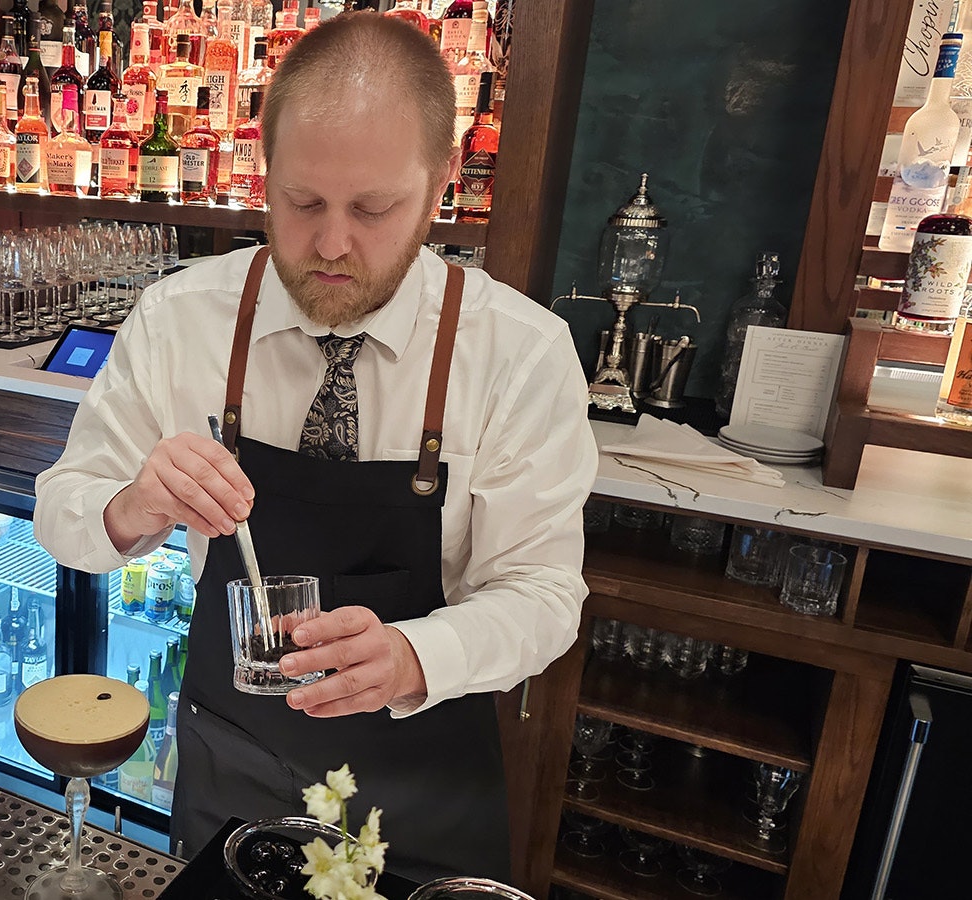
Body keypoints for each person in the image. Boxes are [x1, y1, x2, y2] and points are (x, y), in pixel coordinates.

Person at [33, 11, 596, 883]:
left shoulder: (519, 352)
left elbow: (545, 592)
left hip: (424, 793)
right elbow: (63, 516)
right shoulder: (181, 318)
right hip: (233, 765)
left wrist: (416, 655)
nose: (333, 243)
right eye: (302, 203)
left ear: (443, 178)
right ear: (264, 168)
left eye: (375, 208)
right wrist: (133, 502)